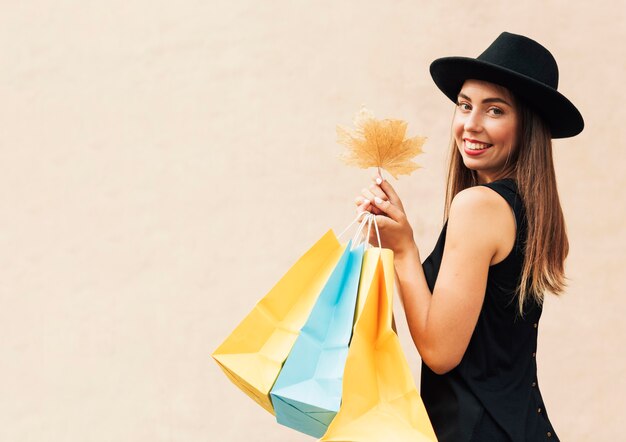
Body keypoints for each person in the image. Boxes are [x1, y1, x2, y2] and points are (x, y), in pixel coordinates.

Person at [354, 32, 583, 441]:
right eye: (464, 105)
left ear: (526, 125)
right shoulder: (528, 209)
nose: (470, 124)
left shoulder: (478, 205)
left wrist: (404, 249)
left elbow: (441, 354)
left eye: (494, 110)